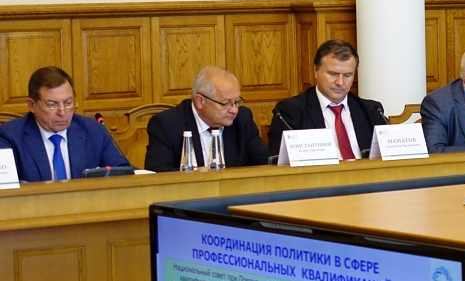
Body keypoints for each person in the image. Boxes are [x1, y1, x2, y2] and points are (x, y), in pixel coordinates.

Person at [0, 66, 128, 181]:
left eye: (68, 103)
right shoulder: (10, 137)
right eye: (52, 105)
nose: (62, 112)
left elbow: (123, 173)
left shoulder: (93, 130)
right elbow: (6, 187)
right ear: (32, 105)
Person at [269, 39, 386, 158]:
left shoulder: (372, 111)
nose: (340, 82)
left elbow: (390, 155)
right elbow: (280, 161)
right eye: (333, 74)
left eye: (347, 75)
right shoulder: (291, 112)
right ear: (316, 71)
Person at [144, 66, 271, 172]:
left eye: (236, 102)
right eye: (225, 103)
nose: (234, 110)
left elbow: (267, 162)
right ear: (200, 101)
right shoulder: (166, 124)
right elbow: (157, 173)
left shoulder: (242, 120)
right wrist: (192, 177)